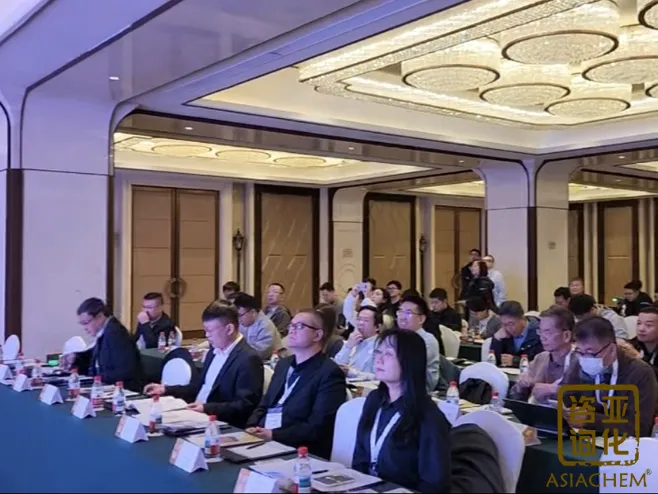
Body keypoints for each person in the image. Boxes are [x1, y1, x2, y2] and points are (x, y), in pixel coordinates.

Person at [352, 329, 451, 493]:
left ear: (409, 362)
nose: (379, 359)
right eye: (378, 352)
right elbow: (360, 457)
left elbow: (435, 484)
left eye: (389, 354)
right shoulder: (374, 399)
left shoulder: (428, 416)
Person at [143, 302, 263, 428]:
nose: (206, 335)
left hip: (221, 423)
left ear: (229, 329)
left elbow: (244, 405)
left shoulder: (248, 359)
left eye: (210, 331)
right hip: (197, 417)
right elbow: (200, 388)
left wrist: (206, 408)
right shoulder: (213, 351)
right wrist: (166, 389)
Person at [245, 309, 346, 459]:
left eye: (300, 326)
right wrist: (251, 426)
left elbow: (318, 427)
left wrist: (274, 434)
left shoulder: (329, 373)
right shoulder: (283, 365)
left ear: (317, 335)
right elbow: (265, 404)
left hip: (298, 450)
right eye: (291, 325)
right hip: (264, 439)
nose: (292, 330)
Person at [562, 316, 658, 437]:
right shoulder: (579, 363)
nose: (585, 359)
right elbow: (568, 398)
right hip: (586, 437)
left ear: (612, 349)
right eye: (580, 352)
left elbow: (639, 428)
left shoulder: (640, 373)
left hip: (626, 443)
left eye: (591, 353)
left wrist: (592, 419)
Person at [66, 298, 143, 390]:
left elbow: (125, 371)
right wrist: (76, 357)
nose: (85, 328)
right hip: (110, 385)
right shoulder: (107, 329)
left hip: (123, 389)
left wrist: (95, 377)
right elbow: (96, 353)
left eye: (86, 323)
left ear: (100, 316)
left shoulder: (116, 333)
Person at [509, 306, 575, 403]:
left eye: (548, 332)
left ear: (567, 335)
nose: (542, 337)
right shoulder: (540, 358)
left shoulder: (579, 362)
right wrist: (521, 386)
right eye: (540, 331)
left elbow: (588, 397)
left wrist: (557, 390)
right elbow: (514, 398)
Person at [396, 294, 441, 392]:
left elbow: (409, 368)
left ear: (421, 319)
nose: (402, 317)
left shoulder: (428, 340)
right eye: (400, 312)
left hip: (418, 389)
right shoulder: (397, 338)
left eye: (408, 313)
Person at [490, 301, 543, 368]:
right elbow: (494, 362)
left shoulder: (539, 333)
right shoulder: (504, 333)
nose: (507, 328)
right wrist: (497, 339)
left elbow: (541, 364)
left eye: (510, 324)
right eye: (503, 324)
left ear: (522, 319)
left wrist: (516, 361)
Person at [334, 306, 382, 377]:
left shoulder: (381, 346)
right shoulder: (352, 339)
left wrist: (352, 373)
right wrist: (348, 347)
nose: (360, 323)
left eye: (366, 320)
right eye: (358, 319)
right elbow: (337, 364)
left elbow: (379, 376)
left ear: (377, 327)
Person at [233, 293, 281, 360]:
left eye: (240, 315)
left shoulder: (265, 325)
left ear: (252, 312)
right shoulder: (244, 324)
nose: (239, 319)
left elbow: (261, 352)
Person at [628, 306, 658, 381]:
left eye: (648, 325)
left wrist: (639, 360)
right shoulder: (631, 345)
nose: (641, 329)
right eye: (639, 323)